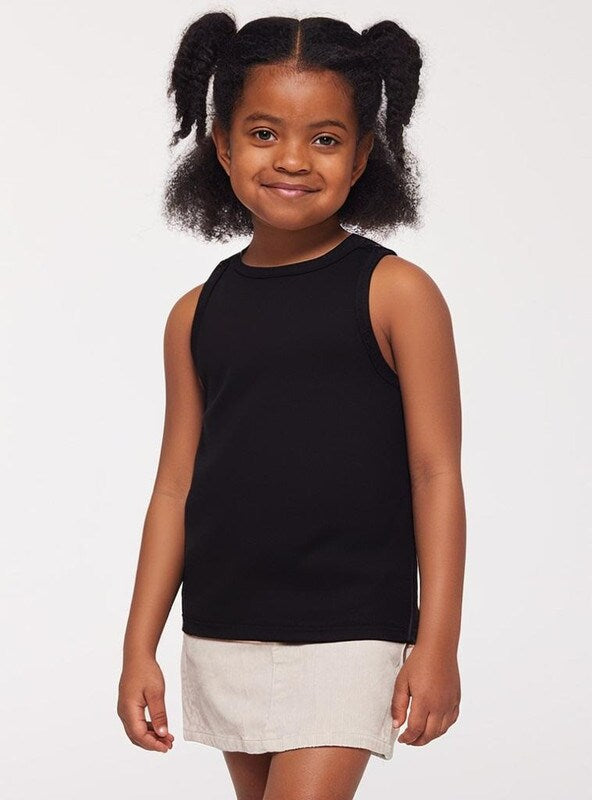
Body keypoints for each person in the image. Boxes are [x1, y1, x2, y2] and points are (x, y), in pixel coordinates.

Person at [117, 11, 465, 799]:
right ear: (223, 144)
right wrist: (139, 646)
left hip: (350, 628)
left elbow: (436, 473)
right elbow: (174, 487)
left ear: (364, 154)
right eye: (265, 133)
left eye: (326, 138)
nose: (293, 159)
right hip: (225, 624)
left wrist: (437, 641)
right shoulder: (194, 314)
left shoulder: (396, 293)